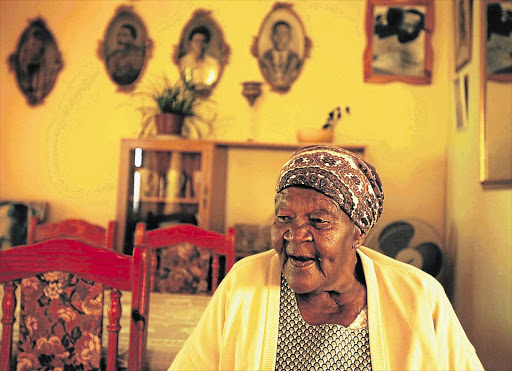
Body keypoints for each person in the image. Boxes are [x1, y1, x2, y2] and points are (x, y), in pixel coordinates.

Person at [169, 145, 484, 370]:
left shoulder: (419, 296)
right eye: (283, 218)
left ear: (358, 232)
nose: (295, 235)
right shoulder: (244, 282)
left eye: (319, 221)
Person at [259, 20, 301, 88]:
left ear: (289, 37)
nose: (280, 37)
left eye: (284, 34)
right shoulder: (265, 58)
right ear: (273, 36)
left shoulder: (295, 59)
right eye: (278, 33)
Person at [179, 26, 220, 92]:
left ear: (206, 44)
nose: (199, 45)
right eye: (196, 41)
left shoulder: (214, 64)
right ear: (191, 43)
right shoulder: (183, 62)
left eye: (203, 41)